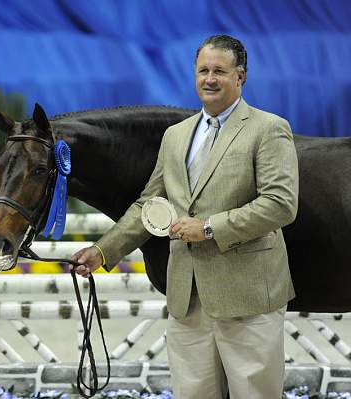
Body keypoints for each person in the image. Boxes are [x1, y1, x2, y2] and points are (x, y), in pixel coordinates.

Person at [71, 35, 299, 399]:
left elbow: (280, 204)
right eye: (203, 70)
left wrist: (208, 228)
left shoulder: (268, 128)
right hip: (186, 299)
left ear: (240, 77)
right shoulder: (175, 136)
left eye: (220, 71)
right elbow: (149, 204)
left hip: (248, 298)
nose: (209, 78)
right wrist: (103, 251)